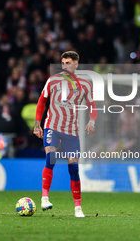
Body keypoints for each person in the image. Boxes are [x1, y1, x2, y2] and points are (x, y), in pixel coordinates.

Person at [33, 51, 98, 217]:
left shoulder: (85, 83)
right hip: (52, 126)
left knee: (74, 168)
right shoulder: (53, 80)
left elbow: (92, 105)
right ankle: (44, 198)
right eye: (63, 63)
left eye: (68, 62)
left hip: (71, 130)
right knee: (51, 159)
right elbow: (42, 101)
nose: (65, 66)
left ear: (76, 64)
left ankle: (78, 208)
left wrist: (92, 121)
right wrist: (37, 124)